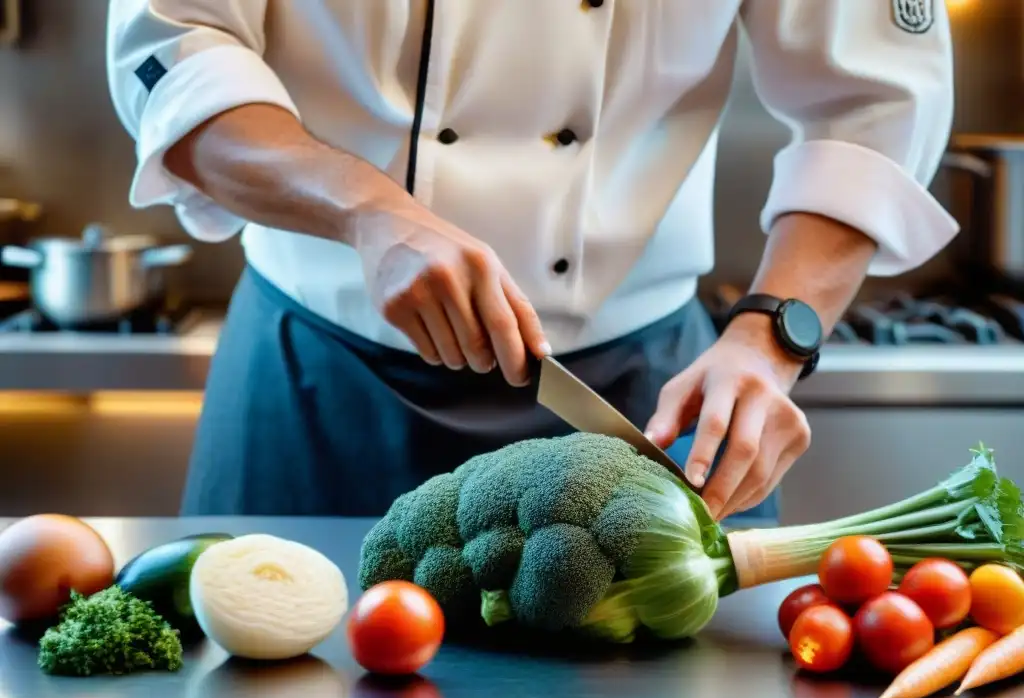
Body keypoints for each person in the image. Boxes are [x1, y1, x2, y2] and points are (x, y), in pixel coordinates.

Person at [106, 1, 958, 522]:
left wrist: (771, 339)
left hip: (647, 403)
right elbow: (176, 49)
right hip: (315, 385)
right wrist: (364, 209)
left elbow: (876, 102)